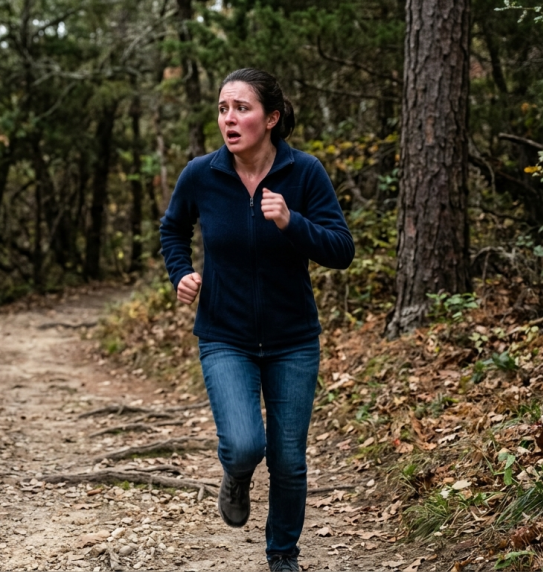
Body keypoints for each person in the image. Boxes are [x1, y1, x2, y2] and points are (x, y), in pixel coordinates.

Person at [159, 68, 354, 572]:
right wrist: (180, 272)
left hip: (293, 339)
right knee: (245, 444)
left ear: (270, 118)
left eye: (241, 108)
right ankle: (237, 474)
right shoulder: (201, 174)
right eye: (223, 108)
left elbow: (341, 249)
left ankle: (282, 554)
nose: (229, 118)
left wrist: (293, 222)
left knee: (289, 460)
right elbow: (173, 229)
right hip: (224, 335)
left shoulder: (305, 173)